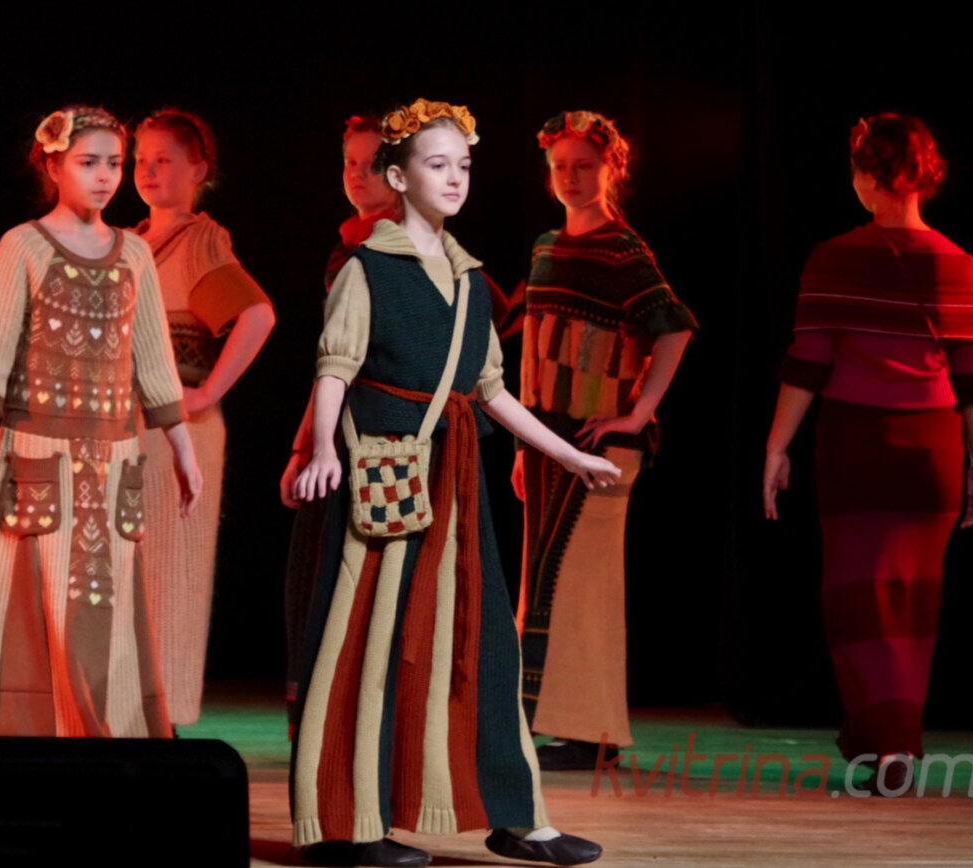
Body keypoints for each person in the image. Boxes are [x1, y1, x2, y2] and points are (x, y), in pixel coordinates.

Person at [290, 99, 613, 868]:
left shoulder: (468, 280)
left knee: (484, 642)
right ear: (398, 177)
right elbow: (335, 365)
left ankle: (515, 815)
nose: (455, 178)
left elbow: (492, 391)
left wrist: (567, 455)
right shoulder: (368, 269)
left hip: (456, 487)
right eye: (437, 165)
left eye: (463, 165)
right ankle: (346, 825)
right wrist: (322, 449)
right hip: (384, 477)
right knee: (369, 644)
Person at [763, 113, 973, 793]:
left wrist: (776, 447)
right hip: (932, 454)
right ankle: (889, 744)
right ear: (924, 177)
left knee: (859, 602)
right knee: (913, 605)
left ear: (868, 177)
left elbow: (807, 363)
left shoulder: (834, 257)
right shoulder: (961, 265)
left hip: (858, 448)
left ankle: (888, 746)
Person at [0, 105, 200, 738]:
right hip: (39, 454)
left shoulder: (134, 253)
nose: (105, 176)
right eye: (89, 163)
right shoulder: (24, 245)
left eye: (113, 163)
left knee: (109, 610)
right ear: (53, 165)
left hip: (114, 458)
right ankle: (34, 739)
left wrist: (182, 447)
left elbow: (152, 358)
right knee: (34, 607)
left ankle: (113, 739)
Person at [513, 111, 697, 770]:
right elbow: (535, 349)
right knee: (544, 582)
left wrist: (638, 413)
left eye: (584, 166)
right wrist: (523, 445)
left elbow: (673, 327)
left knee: (582, 584)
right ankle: (554, 723)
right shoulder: (546, 246)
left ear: (611, 168)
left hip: (597, 444)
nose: (570, 178)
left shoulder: (621, 249)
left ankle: (592, 733)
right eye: (560, 167)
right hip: (548, 439)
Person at [131, 109, 275, 727]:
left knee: (168, 575)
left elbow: (256, 316)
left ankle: (159, 715)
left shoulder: (197, 241)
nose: (148, 171)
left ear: (198, 169)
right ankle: (126, 708)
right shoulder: (132, 241)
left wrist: (206, 391)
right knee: (127, 573)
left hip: (176, 436)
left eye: (163, 159)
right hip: (128, 431)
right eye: (140, 160)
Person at [281, 115, 401, 725]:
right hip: (337, 429)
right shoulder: (347, 246)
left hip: (385, 433)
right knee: (315, 572)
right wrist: (304, 444)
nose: (358, 174)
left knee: (370, 575)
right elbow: (333, 357)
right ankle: (316, 719)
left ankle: (363, 719)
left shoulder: (409, 243)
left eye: (372, 163)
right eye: (350, 162)